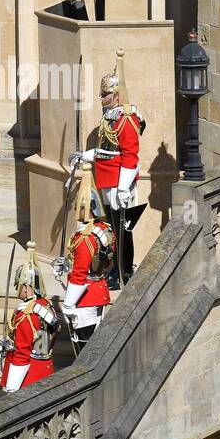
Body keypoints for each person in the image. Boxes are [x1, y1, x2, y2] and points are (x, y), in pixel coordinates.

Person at [70, 56, 144, 289]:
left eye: (105, 95)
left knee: (123, 230)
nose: (101, 98)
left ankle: (125, 271)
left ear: (117, 94)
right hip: (106, 178)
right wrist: (87, 155)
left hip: (119, 181)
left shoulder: (126, 118)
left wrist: (123, 187)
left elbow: (130, 154)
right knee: (112, 229)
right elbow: (107, 149)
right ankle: (114, 270)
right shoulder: (110, 116)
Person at [58, 162, 114, 351]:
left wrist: (67, 304)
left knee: (84, 349)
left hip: (85, 297)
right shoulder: (104, 230)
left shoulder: (85, 238)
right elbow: (106, 264)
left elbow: (80, 272)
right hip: (99, 290)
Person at [0, 243, 58, 393]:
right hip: (46, 367)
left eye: (18, 285)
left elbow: (22, 353)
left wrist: (12, 387)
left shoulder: (26, 315)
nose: (16, 289)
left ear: (26, 286)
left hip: (29, 376)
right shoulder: (46, 306)